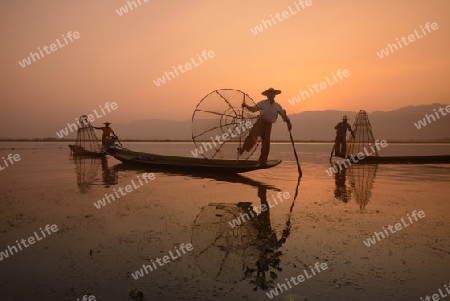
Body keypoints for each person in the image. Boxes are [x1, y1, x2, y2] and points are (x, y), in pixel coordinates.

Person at [239, 87, 292, 165]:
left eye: (272, 94)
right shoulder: (262, 103)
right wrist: (245, 105)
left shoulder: (277, 106)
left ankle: (262, 161)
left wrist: (289, 123)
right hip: (260, 122)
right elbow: (253, 109)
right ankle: (243, 149)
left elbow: (283, 116)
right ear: (267, 95)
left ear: (274, 95)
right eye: (269, 94)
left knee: (266, 143)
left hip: (268, 125)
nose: (271, 95)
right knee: (253, 135)